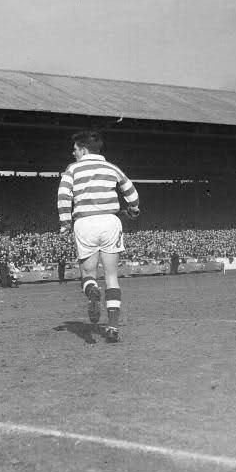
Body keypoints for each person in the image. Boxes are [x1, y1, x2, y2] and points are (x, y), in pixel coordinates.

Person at [57, 130, 140, 343]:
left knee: (88, 273)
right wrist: (133, 209)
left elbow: (64, 194)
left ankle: (93, 290)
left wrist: (65, 222)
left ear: (83, 149)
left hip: (85, 223)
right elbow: (131, 192)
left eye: (75, 149)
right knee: (111, 276)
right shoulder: (111, 167)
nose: (72, 152)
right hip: (110, 222)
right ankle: (112, 327)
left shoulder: (72, 169)